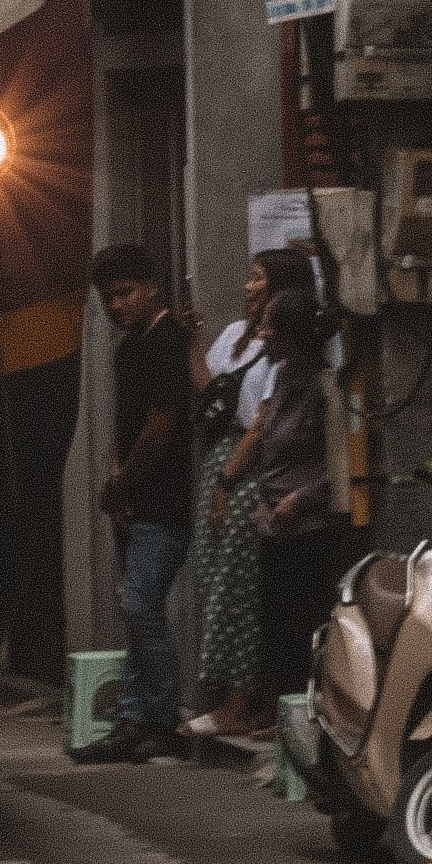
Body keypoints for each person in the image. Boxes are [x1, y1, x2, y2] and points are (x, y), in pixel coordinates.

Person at [192, 247, 328, 752]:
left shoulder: (312, 381)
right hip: (268, 505)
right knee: (264, 609)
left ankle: (262, 706)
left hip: (291, 511)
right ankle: (265, 706)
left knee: (283, 615)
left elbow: (278, 435)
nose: (264, 333)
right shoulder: (276, 368)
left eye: (257, 280)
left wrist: (237, 481)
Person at [81, 243, 195, 762]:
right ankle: (134, 718)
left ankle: (162, 716)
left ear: (151, 288)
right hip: (135, 499)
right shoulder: (129, 348)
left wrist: (121, 482)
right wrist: (118, 480)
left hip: (164, 497)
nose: (115, 306)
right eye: (107, 299)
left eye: (124, 294)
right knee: (135, 610)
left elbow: (162, 426)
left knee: (140, 604)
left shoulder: (167, 341)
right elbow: (127, 429)